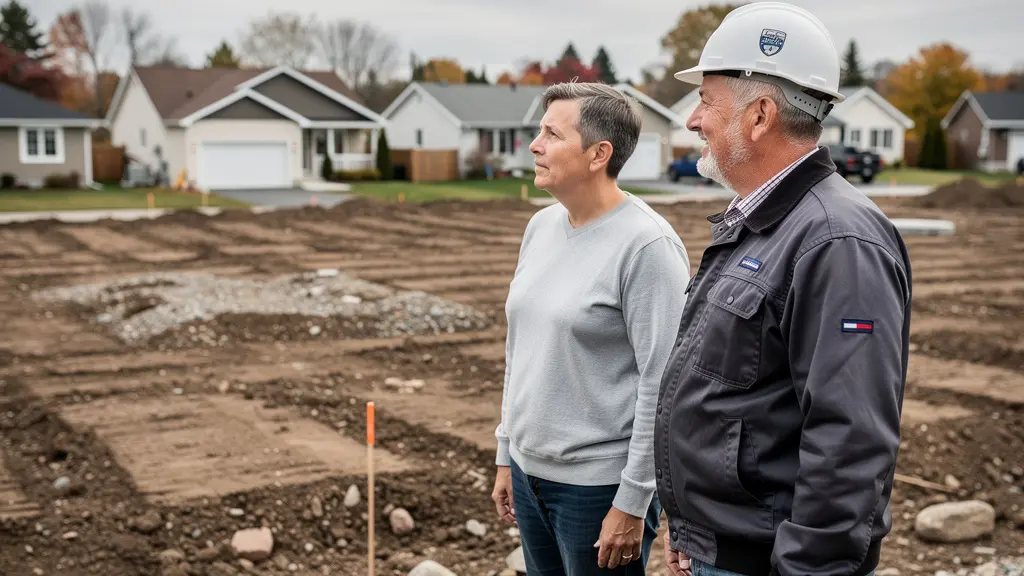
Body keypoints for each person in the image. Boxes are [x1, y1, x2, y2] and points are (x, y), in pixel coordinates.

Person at [653, 3, 912, 576]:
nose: (694, 120)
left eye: (707, 101)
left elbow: (850, 443)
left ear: (761, 115)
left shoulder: (837, 240)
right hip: (721, 550)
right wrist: (693, 529)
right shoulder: (762, 220)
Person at [490, 82, 692, 575]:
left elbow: (662, 385)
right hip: (527, 473)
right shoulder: (540, 227)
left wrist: (633, 501)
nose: (535, 145)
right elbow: (521, 350)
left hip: (598, 490)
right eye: (540, 132)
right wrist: (505, 449)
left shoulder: (647, 247)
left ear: (599, 153)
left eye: (551, 135)